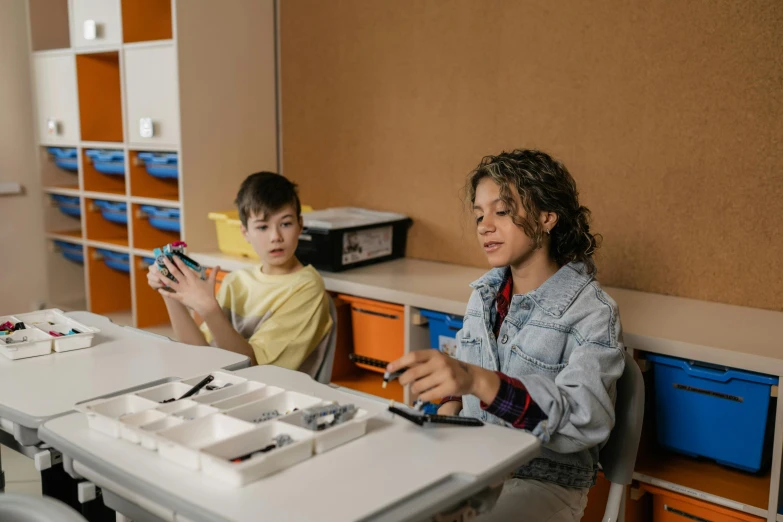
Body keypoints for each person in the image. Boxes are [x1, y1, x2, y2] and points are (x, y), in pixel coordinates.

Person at [387, 149, 625, 521]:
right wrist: (446, 414)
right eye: (479, 214)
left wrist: (480, 382)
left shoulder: (593, 312)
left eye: (501, 211)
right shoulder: (483, 296)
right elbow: (465, 371)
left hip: (544, 480)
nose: (484, 225)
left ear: (547, 217)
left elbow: (587, 418)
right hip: (476, 465)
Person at [147, 172, 332, 370]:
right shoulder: (236, 281)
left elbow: (253, 368)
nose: (275, 237)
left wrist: (210, 310)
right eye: (262, 227)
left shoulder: (307, 287)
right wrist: (169, 292)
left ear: (300, 225)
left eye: (285, 224)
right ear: (245, 232)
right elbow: (198, 353)